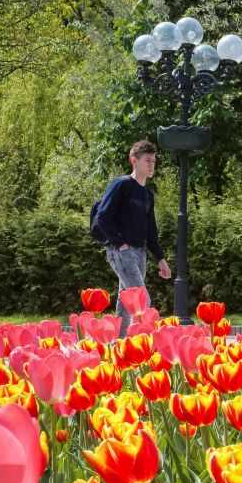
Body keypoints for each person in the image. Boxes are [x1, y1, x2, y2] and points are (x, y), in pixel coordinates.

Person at [94, 140, 171, 336]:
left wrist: (160, 258)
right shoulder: (122, 185)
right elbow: (102, 216)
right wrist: (120, 245)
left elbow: (151, 230)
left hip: (139, 253)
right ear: (133, 161)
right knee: (142, 301)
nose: (152, 165)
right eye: (147, 160)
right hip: (122, 252)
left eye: (154, 161)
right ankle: (147, 346)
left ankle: (118, 349)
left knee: (126, 303)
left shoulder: (147, 194)